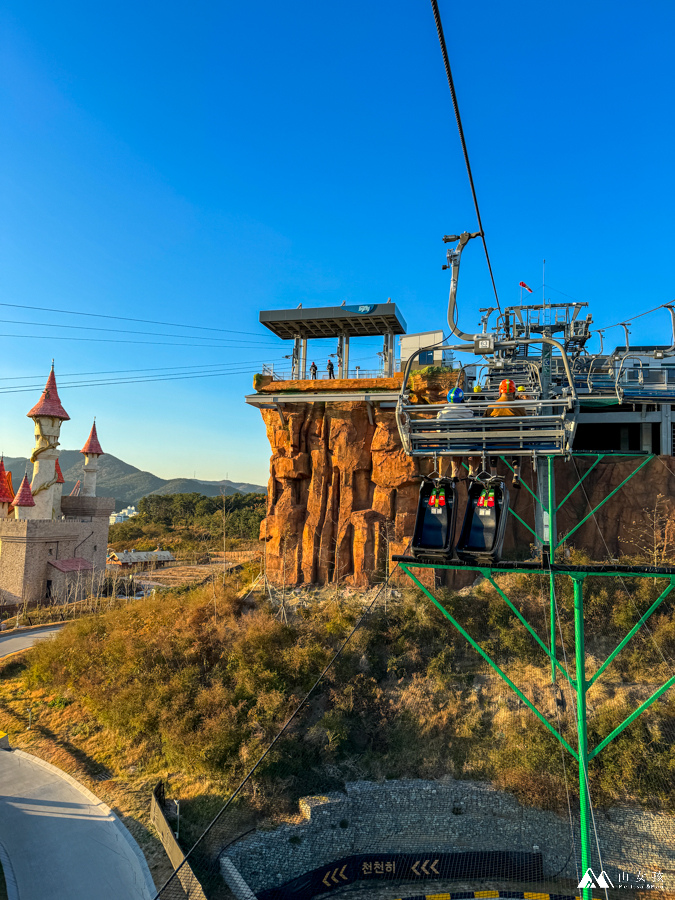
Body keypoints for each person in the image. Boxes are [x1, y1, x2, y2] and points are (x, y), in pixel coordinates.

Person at [484, 379, 521, 488]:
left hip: (495, 443)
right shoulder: (519, 406)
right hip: (514, 444)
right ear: (514, 392)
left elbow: (484, 421)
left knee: (492, 444)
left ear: (500, 392)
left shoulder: (492, 406)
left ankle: (493, 474)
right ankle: (516, 475)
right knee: (517, 447)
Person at [436, 387, 480, 480]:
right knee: (475, 445)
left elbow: (439, 430)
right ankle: (472, 472)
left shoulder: (442, 412)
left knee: (454, 445)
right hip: (466, 445)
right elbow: (473, 429)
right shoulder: (468, 412)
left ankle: (453, 473)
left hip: (449, 445)